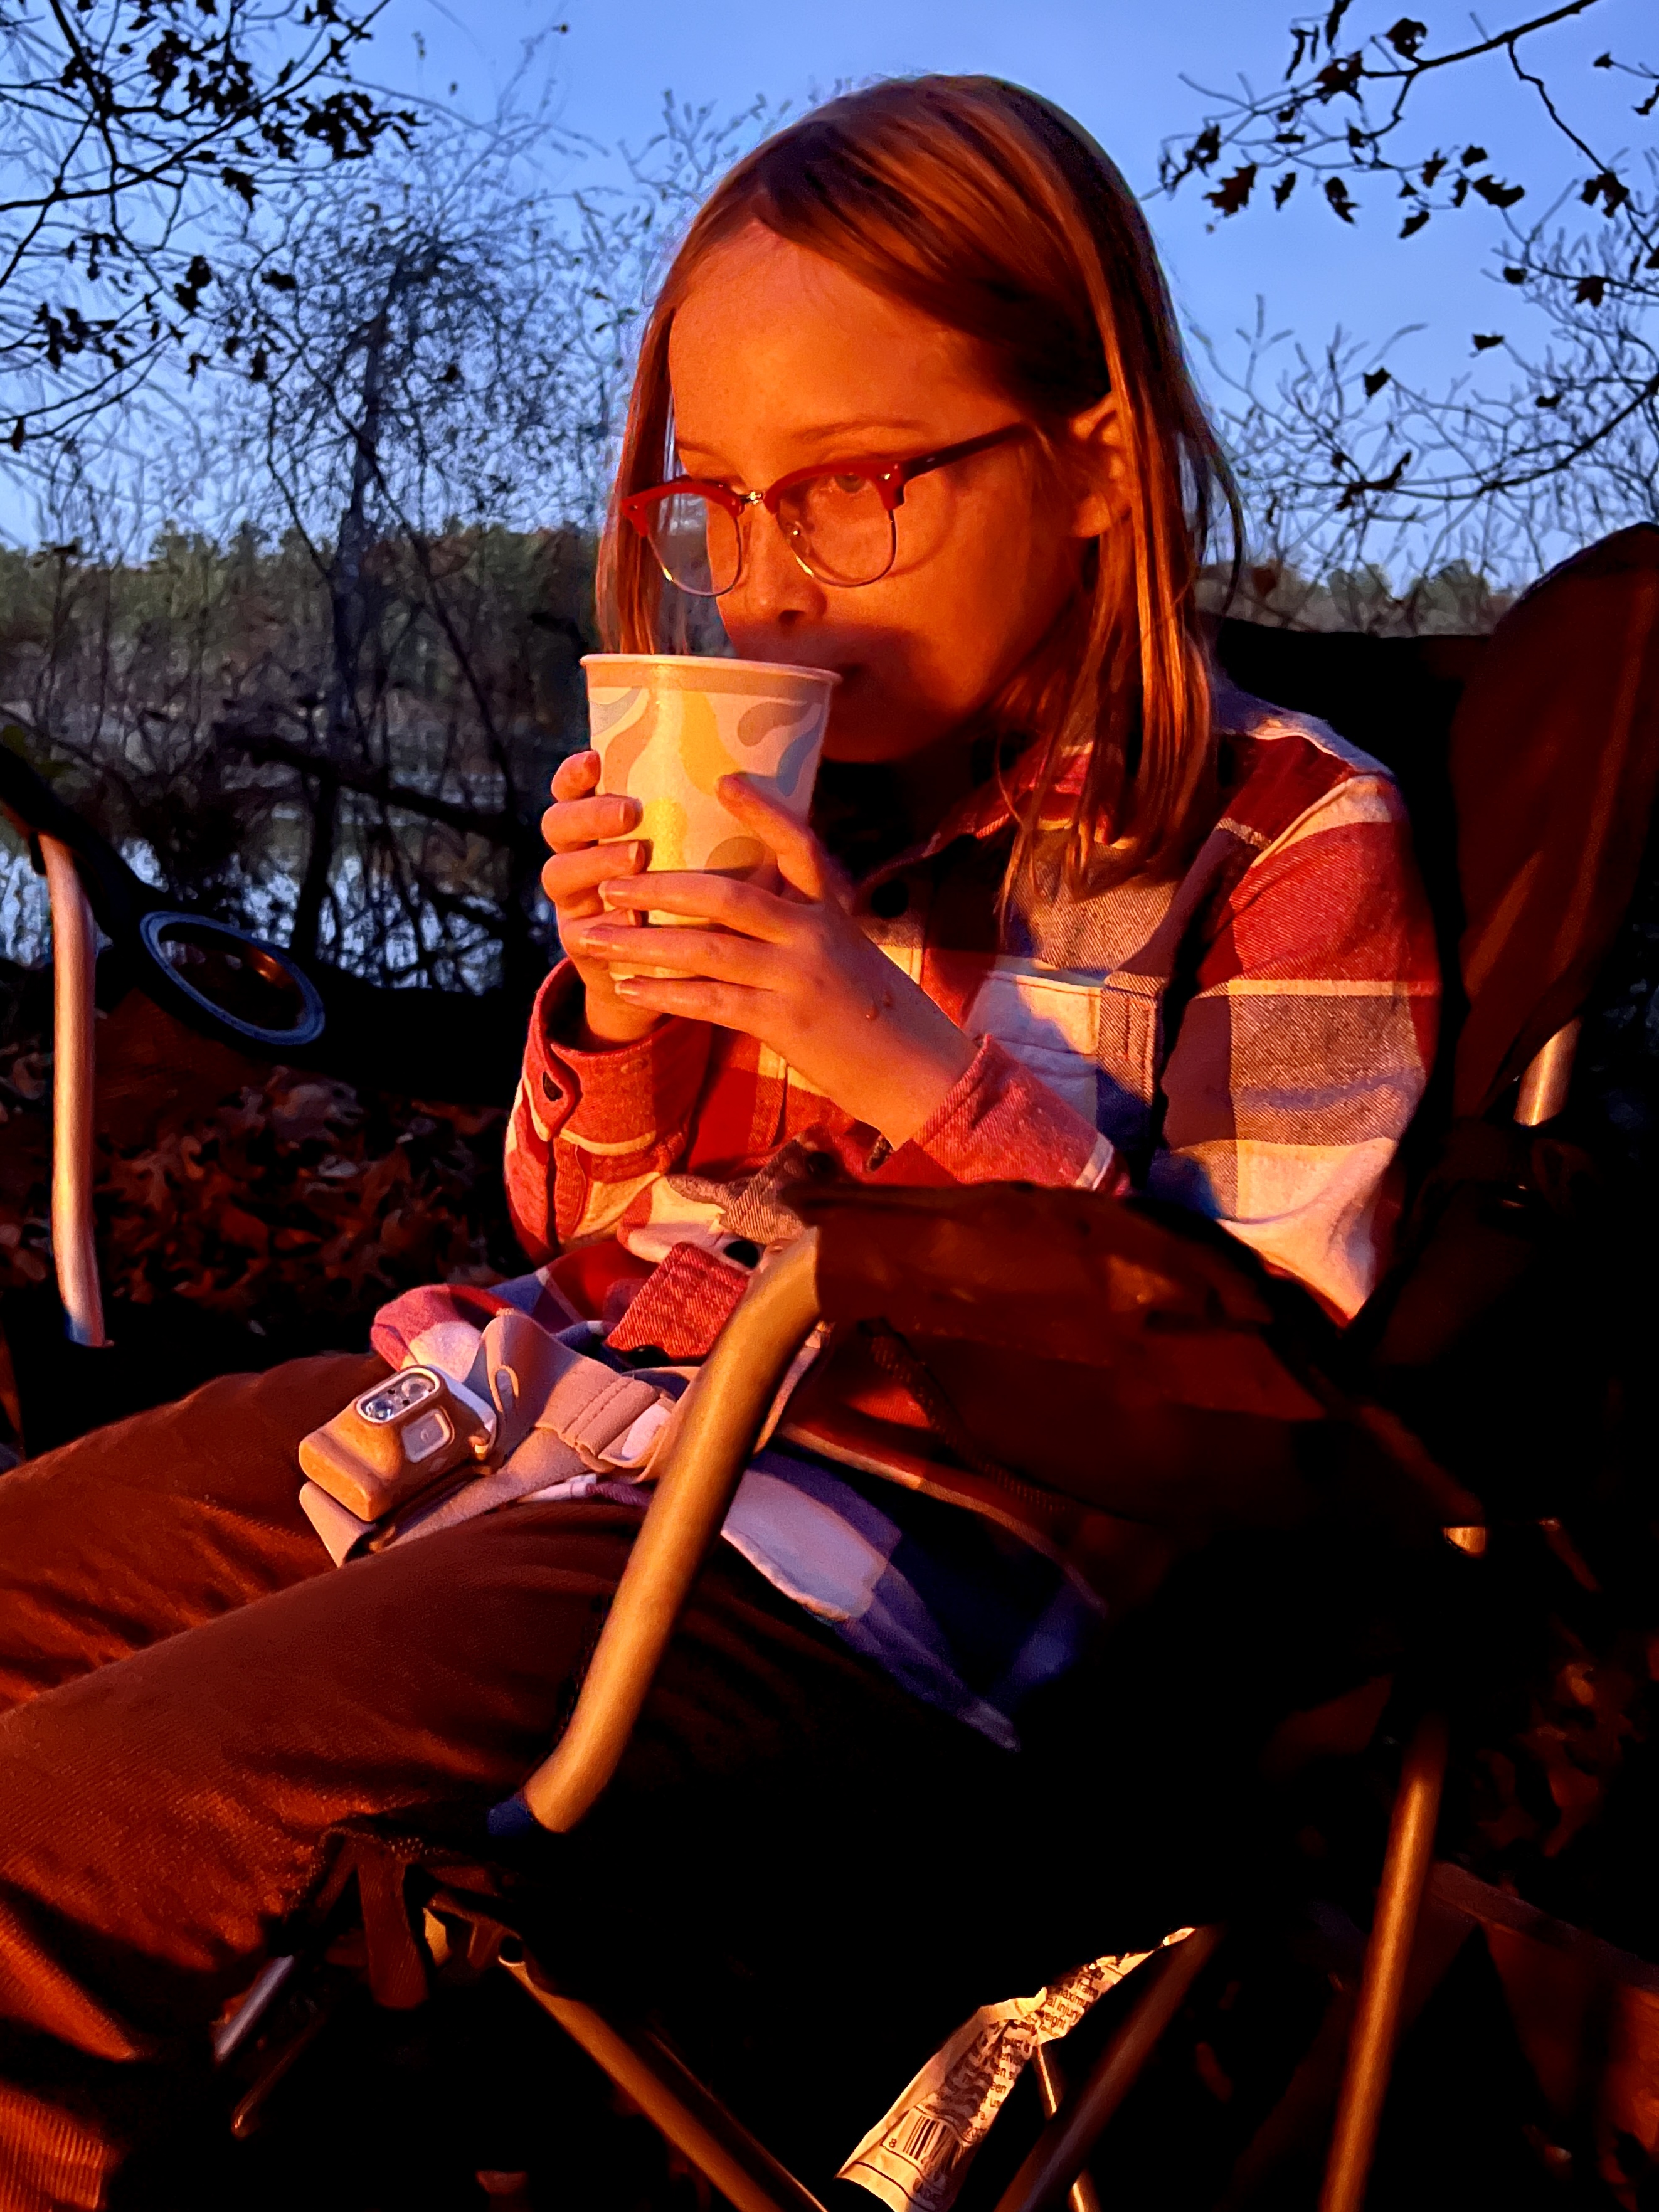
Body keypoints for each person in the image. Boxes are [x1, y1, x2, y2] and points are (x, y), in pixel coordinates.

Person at [0, 77, 1438, 2209]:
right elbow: (585, 1230)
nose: (763, 583)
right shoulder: (794, 798)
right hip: (530, 1418)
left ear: (1100, 467)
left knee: (42, 1841)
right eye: (721, 503)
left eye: (851, 489)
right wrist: (615, 1006)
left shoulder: (1289, 842)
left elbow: (1261, 1407)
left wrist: (903, 1059)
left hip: (862, 1569)